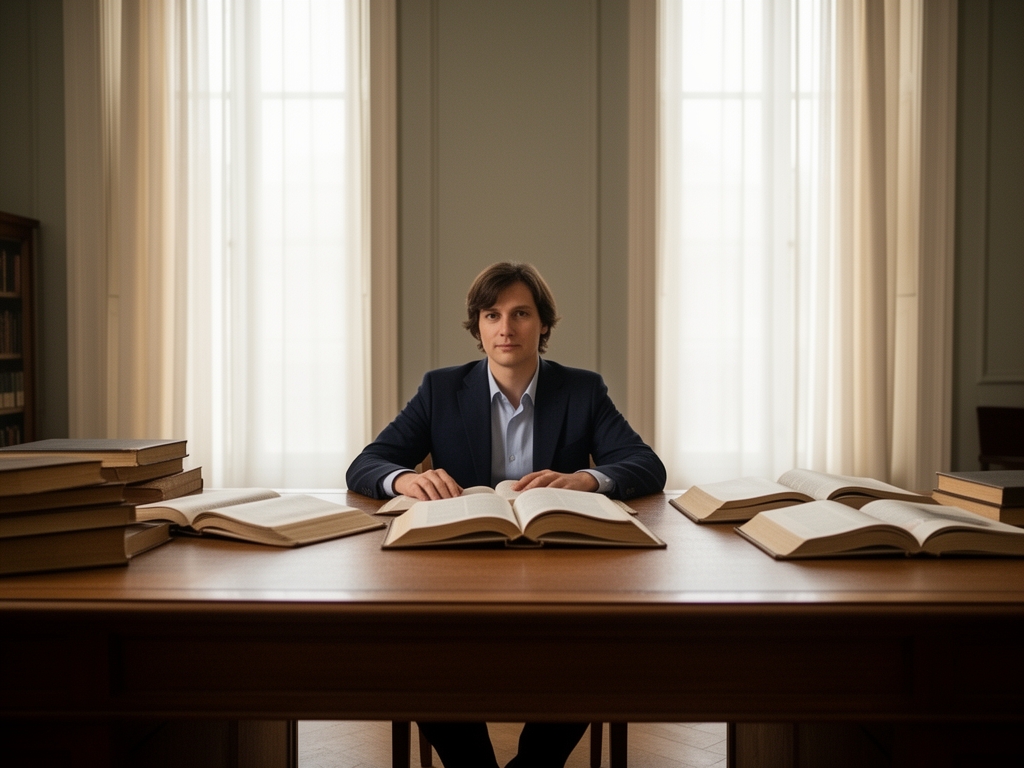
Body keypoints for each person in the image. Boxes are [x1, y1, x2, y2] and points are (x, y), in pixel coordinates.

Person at [346, 261, 665, 768]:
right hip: (458, 566)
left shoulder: (582, 390)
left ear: (543, 324)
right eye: (492, 315)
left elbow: (646, 465)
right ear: (478, 326)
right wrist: (404, 479)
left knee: (594, 647)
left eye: (521, 313)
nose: (506, 328)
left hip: (560, 569)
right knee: (419, 649)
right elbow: (366, 465)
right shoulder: (440, 389)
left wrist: (586, 479)